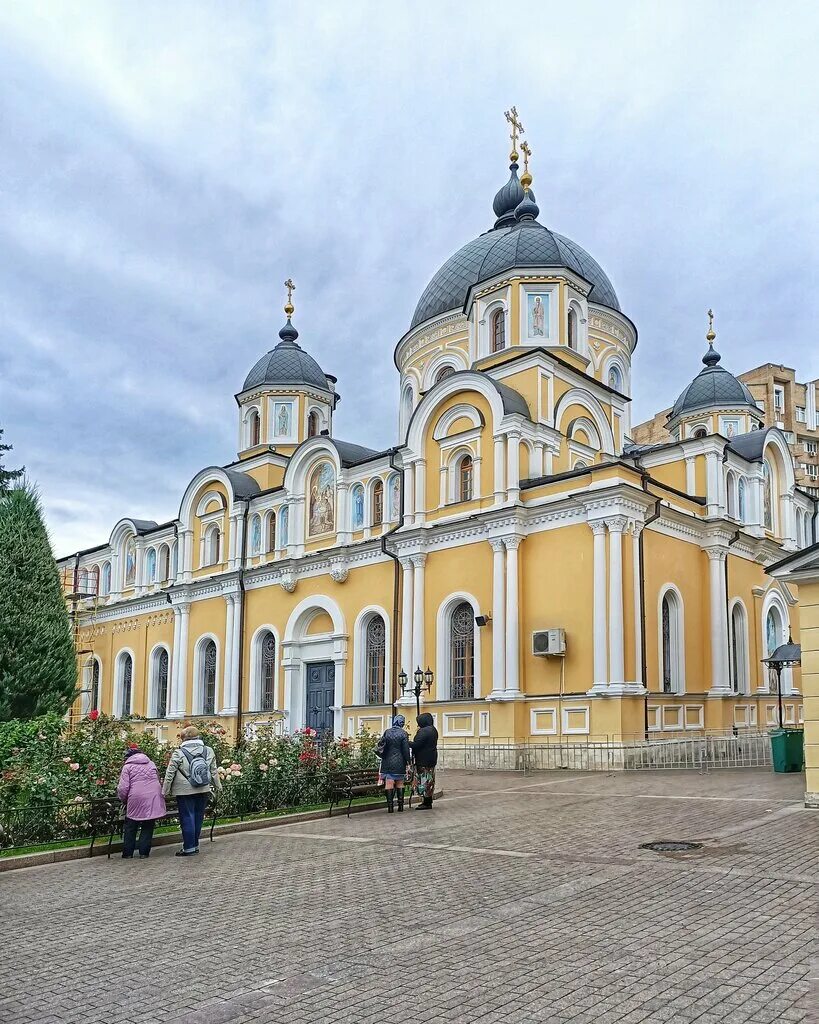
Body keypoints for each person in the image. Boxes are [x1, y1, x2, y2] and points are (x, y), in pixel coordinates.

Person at [162, 726, 222, 856]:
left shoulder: (179, 753)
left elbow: (170, 773)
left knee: (187, 817)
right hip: (203, 788)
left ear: (184, 738)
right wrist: (218, 786)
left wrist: (165, 791)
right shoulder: (208, 750)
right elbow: (213, 771)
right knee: (198, 817)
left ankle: (189, 847)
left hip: (184, 791)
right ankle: (194, 845)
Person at [116, 744, 166, 858]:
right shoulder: (151, 763)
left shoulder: (127, 767)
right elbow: (158, 780)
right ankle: (144, 852)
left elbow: (123, 788)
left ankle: (128, 853)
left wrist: (124, 800)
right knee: (148, 824)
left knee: (131, 825)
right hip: (153, 796)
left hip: (136, 797)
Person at [377, 714, 411, 813]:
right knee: (400, 782)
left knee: (389, 782)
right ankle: (400, 806)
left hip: (387, 761)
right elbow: (405, 750)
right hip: (399, 762)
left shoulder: (387, 732)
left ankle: (390, 807)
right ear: (402, 723)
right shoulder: (403, 733)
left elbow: (382, 746)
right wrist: (408, 762)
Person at [410, 712, 439, 810]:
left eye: (419, 722)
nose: (418, 724)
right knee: (429, 780)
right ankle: (428, 801)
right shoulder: (433, 730)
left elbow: (416, 745)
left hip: (423, 760)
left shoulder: (423, 731)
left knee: (424, 781)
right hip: (431, 758)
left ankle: (426, 802)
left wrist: (406, 741)